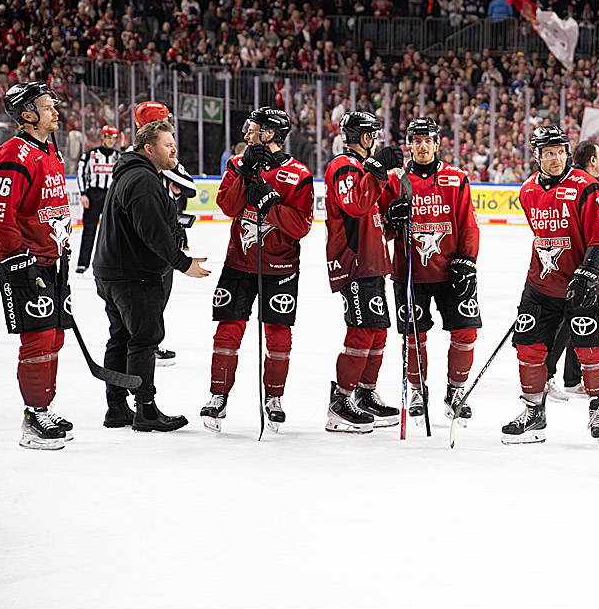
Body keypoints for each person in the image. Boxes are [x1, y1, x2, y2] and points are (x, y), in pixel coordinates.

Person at [199, 108, 313, 432]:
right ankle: (218, 395)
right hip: (238, 263)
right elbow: (228, 206)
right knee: (227, 330)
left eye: (253, 129)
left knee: (278, 336)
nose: (247, 134)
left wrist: (271, 206)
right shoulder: (238, 164)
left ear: (270, 134)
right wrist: (246, 174)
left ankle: (274, 397)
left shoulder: (299, 174)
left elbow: (301, 226)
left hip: (281, 267)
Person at [93, 119, 210, 431]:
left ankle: (116, 408)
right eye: (167, 145)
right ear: (149, 148)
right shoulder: (143, 180)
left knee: (121, 338)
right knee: (144, 340)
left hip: (114, 271)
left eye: (174, 144)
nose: (174, 150)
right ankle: (145, 409)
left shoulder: (133, 174)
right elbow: (153, 232)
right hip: (134, 274)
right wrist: (182, 263)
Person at [503, 125, 599, 445]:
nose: (556, 158)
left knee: (590, 349)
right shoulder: (527, 191)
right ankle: (533, 411)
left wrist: (588, 271)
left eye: (561, 152)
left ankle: (598, 407)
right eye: (549, 153)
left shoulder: (586, 186)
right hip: (540, 285)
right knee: (528, 347)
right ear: (537, 156)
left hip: (581, 285)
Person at [0, 82, 75, 450]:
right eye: (47, 107)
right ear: (27, 115)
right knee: (37, 338)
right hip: (25, 261)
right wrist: (18, 259)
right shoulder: (13, 154)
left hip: (53, 259)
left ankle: (44, 407)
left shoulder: (50, 150)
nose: (55, 112)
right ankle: (34, 416)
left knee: (56, 336)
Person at [379, 117, 481, 426]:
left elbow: (468, 223)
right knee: (413, 335)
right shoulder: (395, 180)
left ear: (437, 144)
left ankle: (456, 390)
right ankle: (416, 390)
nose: (422, 146)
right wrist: (390, 219)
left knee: (465, 332)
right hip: (410, 272)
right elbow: (381, 227)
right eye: (417, 141)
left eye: (428, 141)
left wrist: (468, 260)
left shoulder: (456, 178)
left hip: (452, 272)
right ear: (409, 145)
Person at [323, 111, 405, 433]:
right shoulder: (342, 166)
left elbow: (373, 217)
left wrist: (393, 218)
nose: (377, 141)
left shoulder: (363, 169)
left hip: (372, 261)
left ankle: (365, 393)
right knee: (361, 332)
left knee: (378, 330)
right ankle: (340, 402)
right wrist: (378, 170)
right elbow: (355, 205)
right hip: (353, 261)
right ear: (365, 137)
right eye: (374, 135)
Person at [542, 138, 599, 403]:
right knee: (571, 323)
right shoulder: (583, 185)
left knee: (571, 324)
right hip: (575, 269)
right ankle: (548, 374)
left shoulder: (573, 183)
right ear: (592, 160)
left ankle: (571, 377)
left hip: (564, 267)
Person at [131, 101, 194, 366]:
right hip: (153, 234)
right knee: (151, 293)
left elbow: (190, 188)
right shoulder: (147, 156)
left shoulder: (144, 154)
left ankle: (146, 345)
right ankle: (144, 347)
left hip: (157, 232)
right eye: (166, 120)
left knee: (157, 292)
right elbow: (187, 185)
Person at [75, 124, 119, 273]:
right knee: (89, 229)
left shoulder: (119, 156)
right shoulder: (90, 155)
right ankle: (83, 263)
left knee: (113, 231)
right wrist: (83, 193)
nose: (111, 141)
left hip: (111, 195)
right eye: (108, 137)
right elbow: (81, 173)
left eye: (114, 138)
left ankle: (112, 263)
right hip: (94, 195)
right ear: (102, 138)